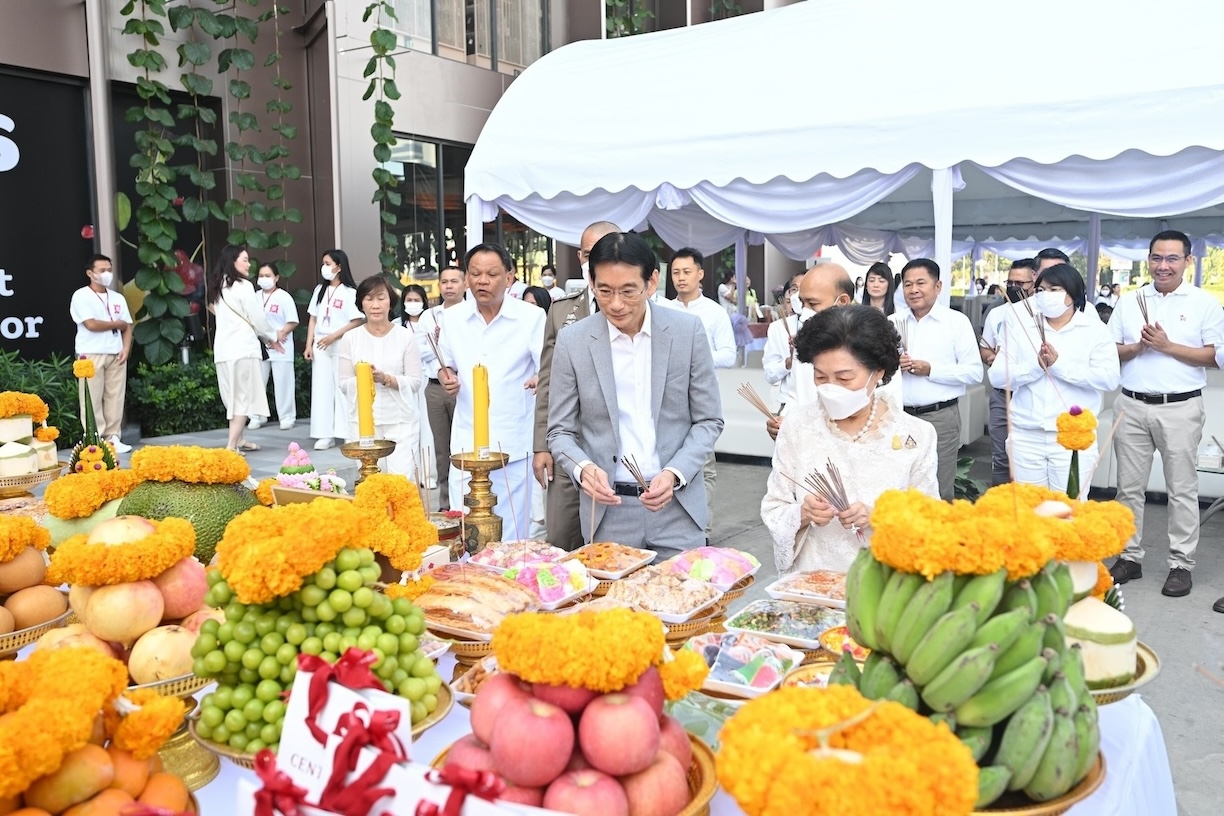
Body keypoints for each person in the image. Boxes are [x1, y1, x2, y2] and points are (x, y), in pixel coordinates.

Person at [547, 232, 723, 558]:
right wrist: (583, 468)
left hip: (677, 508)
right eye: (604, 291)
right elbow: (559, 431)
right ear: (591, 282)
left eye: (628, 291)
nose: (616, 304)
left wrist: (675, 473)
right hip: (608, 511)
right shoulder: (574, 341)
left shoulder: (687, 332)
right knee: (613, 608)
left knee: (688, 601)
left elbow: (709, 419)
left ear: (652, 282)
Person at [762, 305, 938, 573]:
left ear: (878, 372)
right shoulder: (798, 426)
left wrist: (879, 516)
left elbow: (930, 520)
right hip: (811, 585)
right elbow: (775, 507)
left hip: (883, 586)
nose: (831, 388)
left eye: (845, 378)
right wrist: (803, 514)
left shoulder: (916, 435)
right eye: (820, 377)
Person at [1108, 231, 1224, 601]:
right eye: (1157, 258)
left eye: (1172, 258)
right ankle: (1129, 557)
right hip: (1132, 404)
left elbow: (1216, 356)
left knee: (1182, 489)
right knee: (1127, 489)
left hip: (1180, 407)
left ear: (1187, 261)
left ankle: (1181, 564)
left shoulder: (1205, 303)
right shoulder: (1130, 301)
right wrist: (1137, 347)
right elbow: (1110, 352)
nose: (1163, 266)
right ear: (1148, 259)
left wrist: (1167, 346)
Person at [439, 243, 545, 541]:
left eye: (491, 274)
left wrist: (539, 377)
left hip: (511, 439)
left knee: (511, 531)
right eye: (475, 274)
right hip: (467, 440)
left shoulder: (531, 317)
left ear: (509, 277)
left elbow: (548, 368)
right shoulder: (452, 318)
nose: (482, 281)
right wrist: (446, 376)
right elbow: (445, 365)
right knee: (466, 529)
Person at [988, 263, 1119, 497]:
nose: (1046, 296)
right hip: (1026, 434)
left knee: (1069, 511)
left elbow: (1109, 378)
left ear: (1073, 294)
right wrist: (1035, 367)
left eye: (1054, 290)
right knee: (1031, 512)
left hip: (1072, 437)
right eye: (1040, 290)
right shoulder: (1020, 326)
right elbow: (997, 376)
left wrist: (1059, 367)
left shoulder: (1094, 330)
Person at [533, 221, 620, 550]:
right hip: (567, 441)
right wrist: (542, 443)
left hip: (616, 448)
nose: (593, 260)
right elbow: (547, 381)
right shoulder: (562, 311)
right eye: (587, 254)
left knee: (609, 544)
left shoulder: (637, 308)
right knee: (561, 537)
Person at [898, 258, 983, 501]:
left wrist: (931, 370)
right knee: (900, 483)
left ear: (938, 286)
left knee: (938, 486)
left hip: (940, 418)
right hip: (899, 416)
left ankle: (938, 538)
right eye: (907, 284)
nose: (914, 289)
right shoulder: (894, 322)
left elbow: (974, 372)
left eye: (921, 283)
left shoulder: (956, 322)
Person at [666, 248, 735, 542]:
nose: (681, 278)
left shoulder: (715, 313)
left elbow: (729, 355)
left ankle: (702, 529)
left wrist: (697, 356)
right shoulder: (663, 309)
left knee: (703, 465)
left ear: (700, 274)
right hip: (668, 399)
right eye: (676, 273)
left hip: (701, 399)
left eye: (687, 272)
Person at [336, 276, 422, 477]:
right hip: (364, 420)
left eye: (381, 298)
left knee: (401, 480)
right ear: (361, 304)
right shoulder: (351, 338)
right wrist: (364, 379)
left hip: (400, 420)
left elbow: (415, 381)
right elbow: (343, 382)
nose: (375, 305)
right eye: (369, 299)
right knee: (371, 482)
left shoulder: (405, 336)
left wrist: (386, 378)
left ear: (390, 302)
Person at [767, 263, 858, 440]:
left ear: (842, 302)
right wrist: (783, 421)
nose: (804, 311)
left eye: (813, 304)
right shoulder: (805, 345)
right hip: (808, 444)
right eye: (802, 302)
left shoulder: (870, 344)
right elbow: (795, 395)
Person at [207, 246, 278, 454]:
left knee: (231, 397)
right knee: (242, 397)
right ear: (233, 261)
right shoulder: (244, 286)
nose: (249, 264)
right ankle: (231, 446)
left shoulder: (217, 285)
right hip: (242, 349)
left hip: (223, 350)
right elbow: (257, 317)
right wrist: (272, 336)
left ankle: (239, 439)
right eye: (245, 260)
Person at [980, 258, 1038, 486]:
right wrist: (993, 358)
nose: (1013, 288)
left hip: (1030, 391)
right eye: (1009, 283)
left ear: (1034, 282)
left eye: (1020, 284)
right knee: (1001, 456)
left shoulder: (1040, 316)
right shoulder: (997, 314)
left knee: (1028, 459)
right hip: (1002, 393)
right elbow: (984, 348)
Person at [70, 254, 133, 453]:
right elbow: (91, 324)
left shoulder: (117, 298)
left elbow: (128, 326)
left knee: (115, 396)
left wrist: (126, 349)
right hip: (90, 354)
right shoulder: (81, 295)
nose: (107, 274)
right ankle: (94, 439)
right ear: (90, 273)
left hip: (116, 353)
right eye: (102, 270)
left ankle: (113, 437)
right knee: (91, 397)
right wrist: (117, 324)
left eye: (109, 269)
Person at [305, 249, 364, 450]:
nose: (325, 267)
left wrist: (334, 336)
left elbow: (356, 320)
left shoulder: (350, 293)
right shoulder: (318, 291)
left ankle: (346, 433)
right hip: (321, 343)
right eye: (324, 263)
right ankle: (324, 434)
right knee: (321, 388)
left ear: (339, 266)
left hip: (340, 343)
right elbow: (313, 318)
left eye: (328, 263)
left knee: (342, 387)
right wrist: (308, 344)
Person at [418, 266, 466, 511]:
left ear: (465, 284)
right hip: (436, 389)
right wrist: (439, 342)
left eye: (454, 281)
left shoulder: (472, 313)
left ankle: (468, 500)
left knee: (465, 444)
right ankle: (446, 504)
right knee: (442, 447)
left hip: (464, 387)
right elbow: (422, 349)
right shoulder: (430, 316)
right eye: (444, 281)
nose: (449, 286)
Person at [248, 262, 298, 431]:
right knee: (258, 381)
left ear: (276, 277)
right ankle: (256, 416)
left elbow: (292, 320)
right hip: (261, 344)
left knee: (283, 382)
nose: (264, 279)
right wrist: (267, 338)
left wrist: (279, 335)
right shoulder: (254, 297)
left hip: (281, 346)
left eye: (268, 276)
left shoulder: (284, 297)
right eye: (261, 276)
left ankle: (287, 416)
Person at [762, 272, 806, 414]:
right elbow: (769, 374)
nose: (798, 294)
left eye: (804, 288)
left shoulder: (830, 325)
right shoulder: (778, 327)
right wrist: (787, 363)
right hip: (788, 405)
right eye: (794, 289)